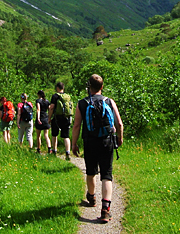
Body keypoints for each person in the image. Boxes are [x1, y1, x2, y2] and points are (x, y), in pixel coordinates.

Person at [72, 74, 124, 224]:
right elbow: (119, 123)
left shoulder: (82, 103)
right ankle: (105, 209)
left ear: (89, 87)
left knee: (91, 171)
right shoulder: (109, 101)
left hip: (90, 142)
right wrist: (119, 138)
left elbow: (76, 125)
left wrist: (74, 144)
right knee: (106, 174)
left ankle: (92, 197)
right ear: (102, 87)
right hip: (107, 141)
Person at [48, 81, 72, 161]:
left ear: (57, 88)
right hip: (66, 117)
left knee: (54, 134)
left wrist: (49, 118)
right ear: (63, 88)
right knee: (66, 136)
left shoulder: (55, 96)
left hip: (57, 118)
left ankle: (54, 151)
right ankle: (67, 152)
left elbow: (51, 107)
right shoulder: (67, 96)